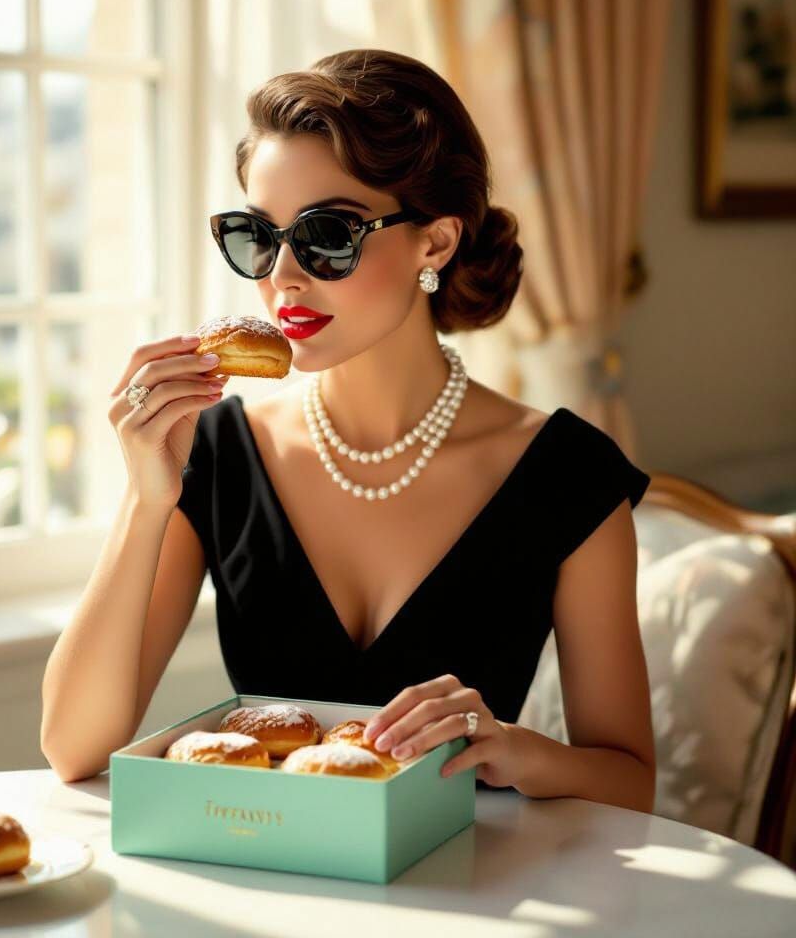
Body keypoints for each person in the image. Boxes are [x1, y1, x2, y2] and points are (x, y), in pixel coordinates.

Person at [41, 49, 656, 813]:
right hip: (261, 869)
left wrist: (513, 748)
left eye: (327, 233)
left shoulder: (568, 473)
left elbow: (631, 783)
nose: (283, 277)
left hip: (477, 877)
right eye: (258, 236)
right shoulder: (219, 452)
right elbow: (73, 747)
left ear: (436, 242)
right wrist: (145, 500)